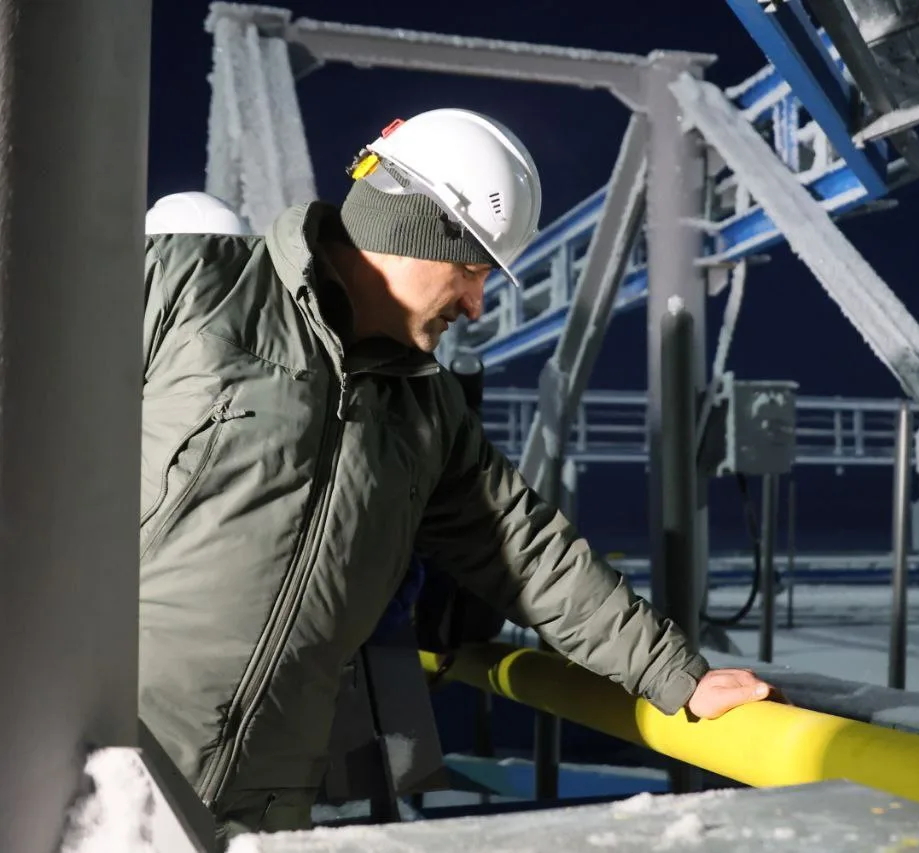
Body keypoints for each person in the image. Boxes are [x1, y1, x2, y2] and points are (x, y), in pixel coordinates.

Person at [139, 107, 773, 844]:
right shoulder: (191, 288)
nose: (475, 305)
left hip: (260, 809)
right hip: (107, 763)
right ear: (408, 230)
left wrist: (677, 676)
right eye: (471, 271)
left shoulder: (428, 411)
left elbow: (528, 552)